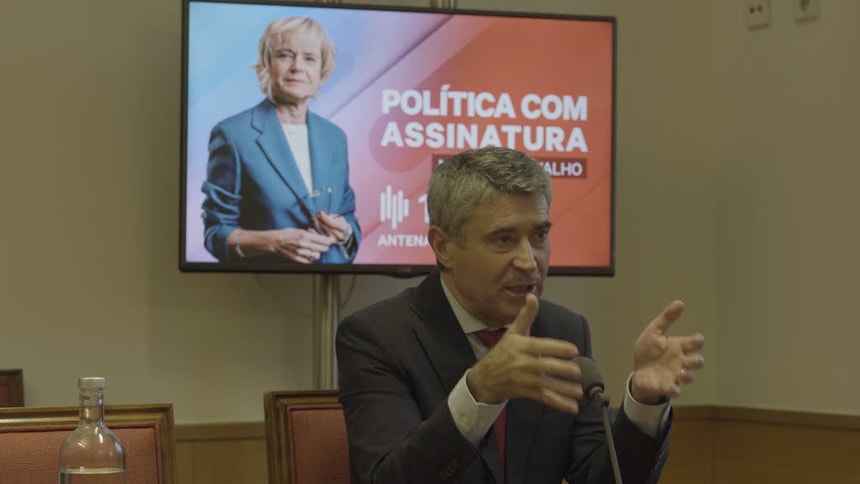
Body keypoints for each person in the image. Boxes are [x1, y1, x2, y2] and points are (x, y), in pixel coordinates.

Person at [336, 147, 706, 483]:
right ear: (444, 246)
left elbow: (602, 478)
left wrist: (644, 402)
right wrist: (478, 392)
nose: (529, 261)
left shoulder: (563, 331)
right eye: (504, 239)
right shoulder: (377, 337)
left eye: (539, 236)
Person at [201, 17, 360, 264]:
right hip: (267, 282)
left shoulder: (335, 137)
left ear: (322, 70)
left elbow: (348, 217)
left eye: (309, 59)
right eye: (285, 56)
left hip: (330, 278)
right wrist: (273, 242)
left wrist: (346, 231)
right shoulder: (233, 134)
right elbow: (216, 233)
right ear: (267, 64)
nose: (297, 67)